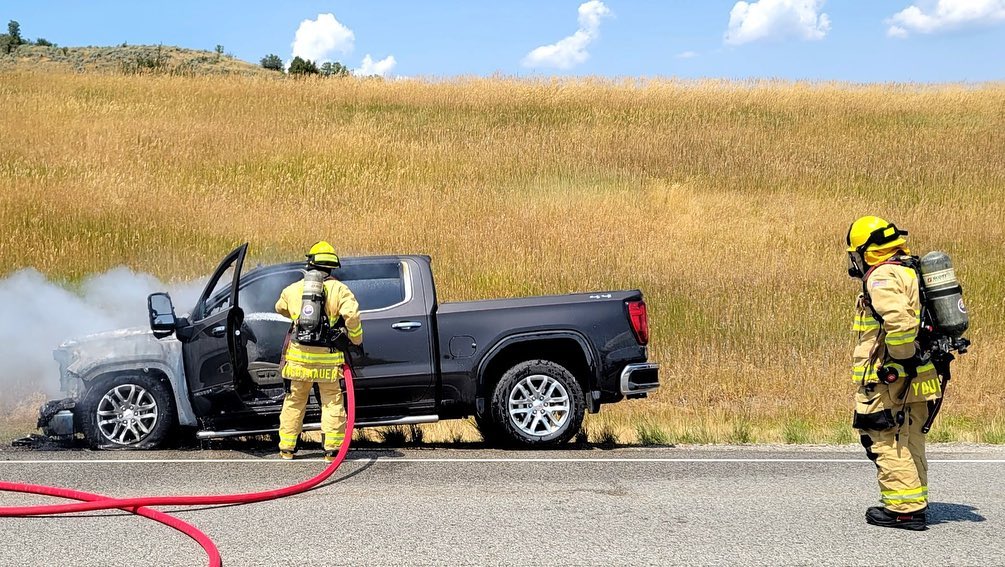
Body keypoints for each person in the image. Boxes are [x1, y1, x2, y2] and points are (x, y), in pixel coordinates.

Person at [846, 216, 942, 531]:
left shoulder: (882, 276)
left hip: (892, 379)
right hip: (918, 378)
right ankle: (914, 501)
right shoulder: (908, 270)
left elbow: (899, 321)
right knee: (909, 438)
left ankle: (904, 510)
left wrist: (902, 359)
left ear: (866, 251)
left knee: (887, 439)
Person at [275, 241, 363, 461]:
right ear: (332, 267)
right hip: (327, 361)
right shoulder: (339, 289)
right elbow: (352, 316)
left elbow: (280, 307)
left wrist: (298, 317)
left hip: (298, 360)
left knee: (294, 401)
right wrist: (356, 339)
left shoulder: (294, 289)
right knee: (332, 401)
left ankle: (286, 448)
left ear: (310, 263)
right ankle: (332, 451)